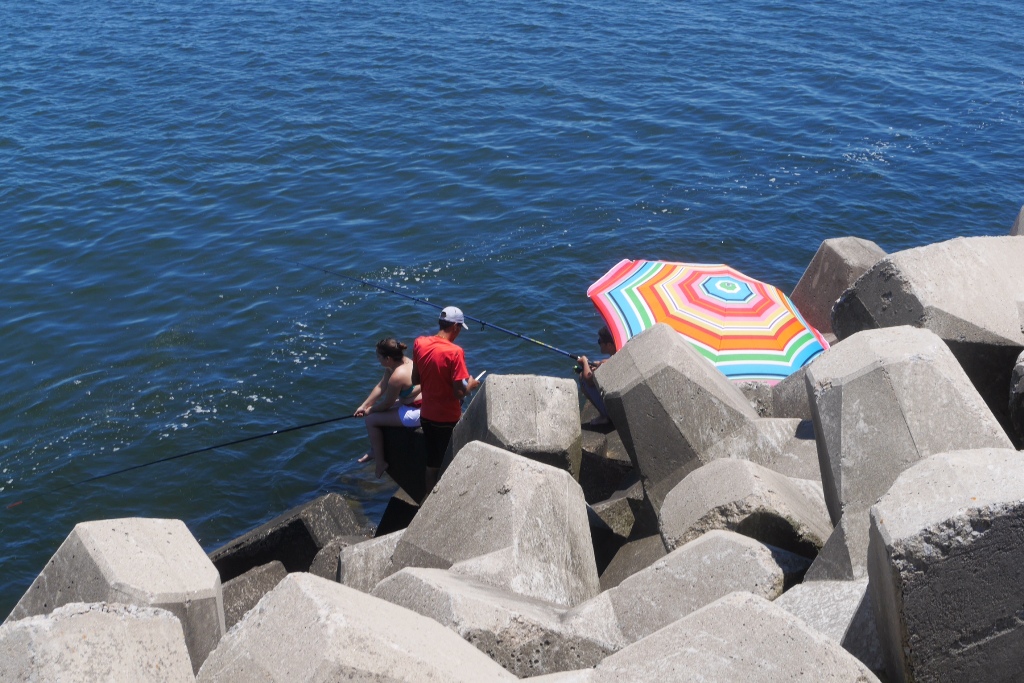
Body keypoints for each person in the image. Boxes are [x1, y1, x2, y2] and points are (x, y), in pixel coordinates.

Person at [412, 306, 481, 494]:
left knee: (432, 462)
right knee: (451, 461)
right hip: (447, 419)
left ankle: (428, 501)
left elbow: (415, 380)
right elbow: (459, 393)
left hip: (426, 414)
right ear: (456, 327)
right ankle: (448, 499)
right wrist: (471, 385)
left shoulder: (419, 343)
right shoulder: (455, 352)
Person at [355, 338, 421, 479]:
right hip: (411, 403)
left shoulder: (398, 375)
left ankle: (380, 462)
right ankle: (375, 450)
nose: (377, 359)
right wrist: (364, 405)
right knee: (375, 413)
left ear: (388, 358)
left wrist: (370, 410)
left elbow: (387, 404)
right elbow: (381, 387)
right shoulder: (399, 364)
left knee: (371, 420)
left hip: (418, 412)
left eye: (379, 356)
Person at [576, 325, 617, 427]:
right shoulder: (620, 355)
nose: (599, 343)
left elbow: (588, 379)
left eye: (600, 341)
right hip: (622, 405)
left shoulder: (605, 363)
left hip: (614, 412)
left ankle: (604, 416)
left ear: (609, 345)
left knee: (582, 378)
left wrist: (585, 362)